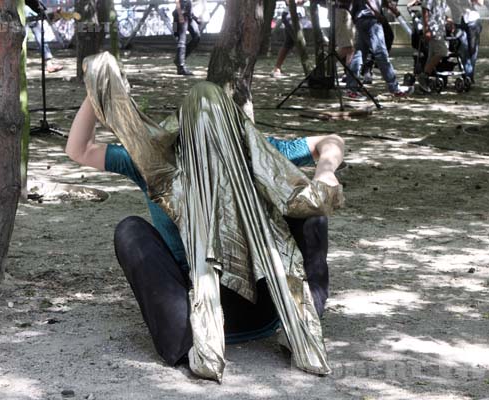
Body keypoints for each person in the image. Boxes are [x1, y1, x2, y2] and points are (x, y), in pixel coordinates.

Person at [65, 88, 344, 368]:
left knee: (312, 209)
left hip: (272, 302)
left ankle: (300, 325)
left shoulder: (257, 152)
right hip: (193, 306)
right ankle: (190, 342)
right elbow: (79, 150)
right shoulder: (156, 160)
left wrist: (325, 172)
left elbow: (331, 141)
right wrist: (97, 89)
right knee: (130, 230)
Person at [345, 0, 412, 99]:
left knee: (359, 55)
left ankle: (351, 88)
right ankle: (394, 88)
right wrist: (376, 12)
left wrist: (392, 9)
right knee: (381, 54)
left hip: (361, 19)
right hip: (371, 19)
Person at [415, 0, 447, 93]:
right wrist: (426, 29)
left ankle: (423, 83)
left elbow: (441, 12)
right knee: (442, 52)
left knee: (432, 55)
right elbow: (425, 9)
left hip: (440, 29)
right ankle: (424, 76)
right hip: (433, 30)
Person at [447, 0, 483, 83]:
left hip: (473, 21)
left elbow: (480, 3)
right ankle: (468, 76)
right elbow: (442, 7)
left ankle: (469, 76)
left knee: (472, 50)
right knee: (463, 49)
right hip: (458, 22)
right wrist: (448, 19)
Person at [270, 0, 305, 78]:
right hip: (290, 16)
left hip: (295, 15)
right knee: (298, 42)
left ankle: (277, 68)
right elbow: (289, 2)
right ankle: (308, 68)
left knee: (289, 43)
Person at [173, 0, 200, 76]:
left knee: (197, 36)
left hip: (189, 15)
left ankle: (179, 59)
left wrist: (195, 18)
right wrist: (180, 15)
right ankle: (180, 67)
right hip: (180, 13)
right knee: (181, 39)